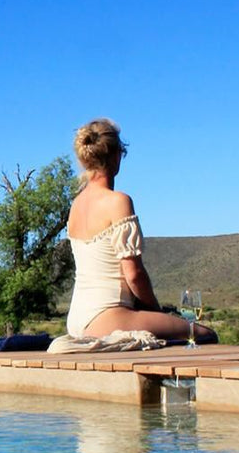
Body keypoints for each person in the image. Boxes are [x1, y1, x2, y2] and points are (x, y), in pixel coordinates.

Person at [65, 118, 218, 343]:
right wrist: (155, 310)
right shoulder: (118, 201)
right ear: (117, 155)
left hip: (77, 317)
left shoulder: (76, 205)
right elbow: (133, 274)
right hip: (107, 315)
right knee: (204, 336)